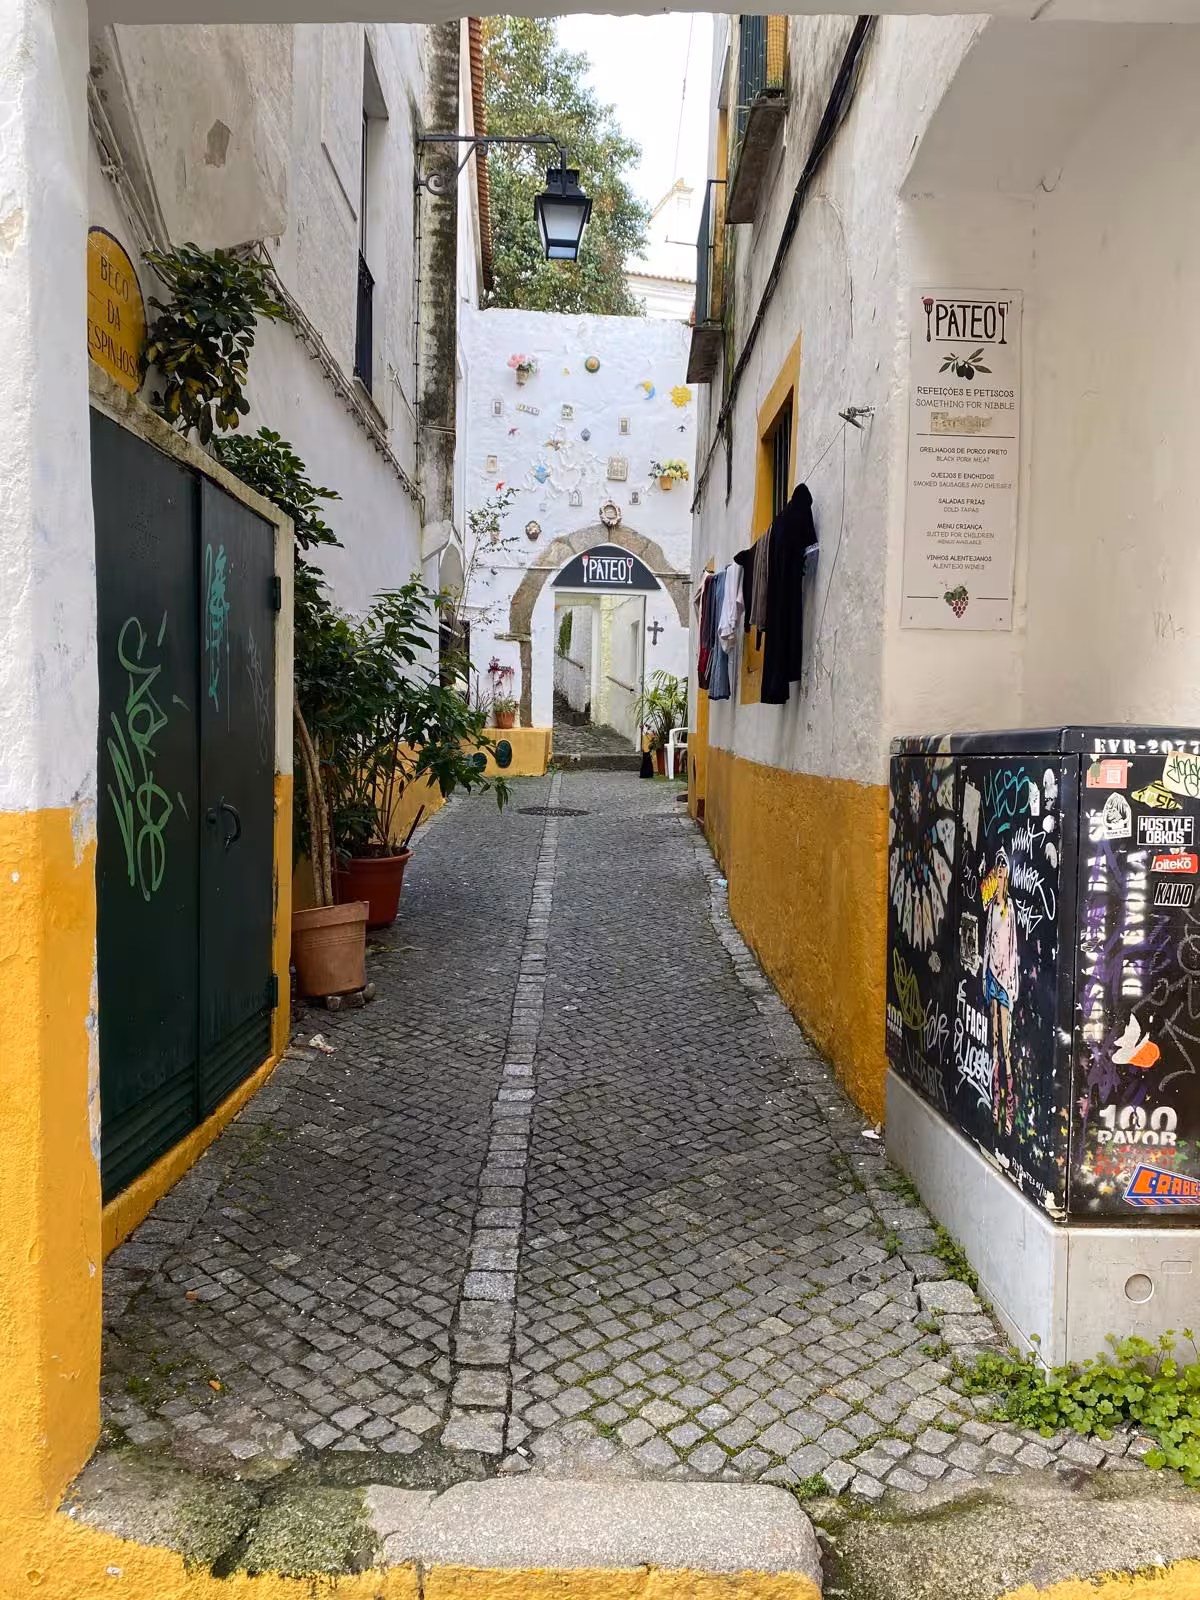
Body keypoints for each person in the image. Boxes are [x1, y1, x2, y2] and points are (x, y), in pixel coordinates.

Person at [983, 848, 1019, 1136]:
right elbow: (987, 943)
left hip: (1004, 980)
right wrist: (985, 974)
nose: (1001, 877)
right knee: (995, 1046)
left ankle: (1010, 1109)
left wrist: (1012, 984)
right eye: (998, 873)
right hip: (991, 977)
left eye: (1004, 873)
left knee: (1006, 1048)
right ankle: (996, 1105)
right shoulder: (992, 910)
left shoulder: (1011, 911)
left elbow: (1014, 948)